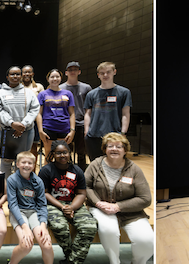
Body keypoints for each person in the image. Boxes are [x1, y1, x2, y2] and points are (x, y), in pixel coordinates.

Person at [84, 132, 153, 264]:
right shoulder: (95, 165)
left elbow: (145, 198)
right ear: (105, 149)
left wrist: (118, 207)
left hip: (131, 212)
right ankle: (114, 261)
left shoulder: (134, 169)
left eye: (118, 146)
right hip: (101, 209)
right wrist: (98, 203)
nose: (114, 149)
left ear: (125, 150)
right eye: (110, 146)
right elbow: (85, 187)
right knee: (108, 230)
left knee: (147, 240)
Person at [39, 140, 97, 264]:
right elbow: (44, 193)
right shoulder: (46, 170)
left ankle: (71, 261)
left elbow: (81, 193)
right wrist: (62, 207)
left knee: (89, 227)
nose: (62, 155)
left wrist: (71, 208)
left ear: (69, 153)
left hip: (74, 203)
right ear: (52, 154)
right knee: (60, 227)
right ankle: (73, 257)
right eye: (58, 153)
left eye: (65, 152)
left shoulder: (77, 170)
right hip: (53, 204)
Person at [7, 152, 55, 264]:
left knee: (47, 245)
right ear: (17, 164)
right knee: (26, 245)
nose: (26, 165)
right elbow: (13, 205)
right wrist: (25, 227)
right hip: (18, 212)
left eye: (30, 163)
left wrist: (43, 224)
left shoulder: (38, 181)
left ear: (34, 166)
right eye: (23, 162)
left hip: (34, 213)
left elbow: (42, 205)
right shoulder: (12, 180)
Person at [0, 66, 41, 176]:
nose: (15, 76)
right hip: (5, 131)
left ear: (21, 76)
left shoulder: (29, 93)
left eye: (17, 74)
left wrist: (23, 125)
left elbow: (34, 109)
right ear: (7, 77)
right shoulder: (0, 93)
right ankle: (6, 188)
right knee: (6, 161)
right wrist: (12, 123)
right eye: (12, 74)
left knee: (22, 160)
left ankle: (20, 188)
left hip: (26, 131)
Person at [83, 62, 132, 161]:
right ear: (98, 75)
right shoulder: (91, 94)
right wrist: (86, 131)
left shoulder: (124, 92)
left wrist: (123, 132)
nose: (105, 75)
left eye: (108, 72)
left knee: (114, 163)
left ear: (114, 72)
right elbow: (88, 114)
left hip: (115, 135)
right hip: (94, 135)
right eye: (102, 73)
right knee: (95, 163)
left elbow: (126, 114)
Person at [60, 61, 93, 167]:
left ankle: (81, 174)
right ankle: (67, 172)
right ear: (66, 73)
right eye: (70, 70)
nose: (72, 72)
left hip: (82, 123)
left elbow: (90, 108)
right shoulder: (60, 88)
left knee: (81, 152)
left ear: (79, 72)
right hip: (66, 124)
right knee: (66, 151)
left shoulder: (86, 88)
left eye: (75, 69)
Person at [38, 69, 76, 159]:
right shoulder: (42, 94)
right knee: (49, 154)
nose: (55, 79)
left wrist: (72, 130)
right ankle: (47, 173)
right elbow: (38, 114)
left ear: (61, 78)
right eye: (52, 77)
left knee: (63, 156)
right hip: (48, 128)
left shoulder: (68, 94)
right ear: (48, 79)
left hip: (64, 128)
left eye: (57, 76)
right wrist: (40, 130)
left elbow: (72, 114)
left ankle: (61, 174)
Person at [22, 65, 46, 158]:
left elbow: (43, 104)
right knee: (21, 146)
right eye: (25, 72)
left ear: (32, 74)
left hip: (35, 121)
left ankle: (32, 170)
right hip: (21, 121)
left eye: (29, 72)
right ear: (22, 74)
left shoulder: (39, 87)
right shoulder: (18, 86)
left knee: (33, 147)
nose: (27, 74)